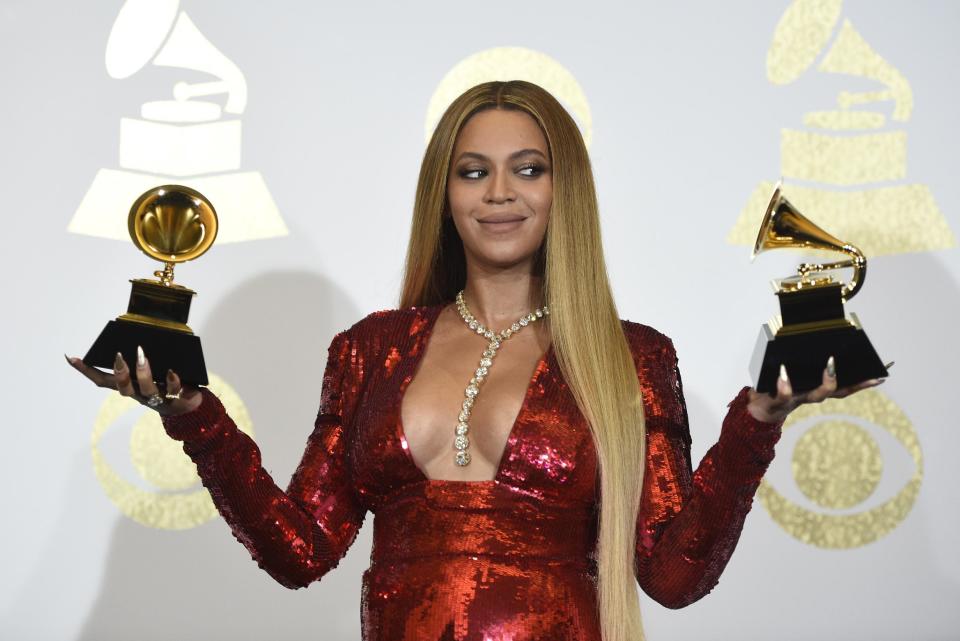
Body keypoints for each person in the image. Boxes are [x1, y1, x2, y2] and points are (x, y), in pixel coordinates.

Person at [67, 80, 882, 641]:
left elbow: (671, 575)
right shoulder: (371, 349)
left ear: (565, 190)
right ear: (444, 191)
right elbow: (300, 549)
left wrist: (757, 423)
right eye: (473, 170)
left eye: (528, 168)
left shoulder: (629, 357)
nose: (499, 192)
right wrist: (194, 419)